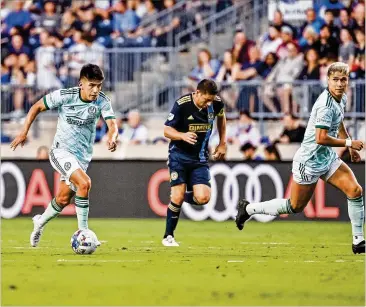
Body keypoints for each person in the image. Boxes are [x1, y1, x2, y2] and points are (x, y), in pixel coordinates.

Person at [235, 62, 365, 254]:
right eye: (335, 80)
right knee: (293, 206)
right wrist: (348, 145)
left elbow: (339, 122)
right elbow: (321, 138)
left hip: (326, 157)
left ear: (347, 82)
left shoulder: (341, 98)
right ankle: (248, 209)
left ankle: (358, 241)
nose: (339, 84)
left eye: (343, 80)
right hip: (309, 162)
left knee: (354, 190)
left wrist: (349, 142)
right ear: (328, 81)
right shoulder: (325, 106)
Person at [10, 64, 118, 248]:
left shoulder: (102, 101)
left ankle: (39, 222)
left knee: (62, 199)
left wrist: (112, 136)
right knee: (85, 183)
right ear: (81, 84)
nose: (95, 90)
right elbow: (36, 106)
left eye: (99, 85)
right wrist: (23, 132)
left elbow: (112, 124)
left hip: (82, 157)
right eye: (91, 85)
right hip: (61, 151)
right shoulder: (65, 96)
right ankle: (83, 233)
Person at [162, 79, 226, 246]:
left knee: (203, 197)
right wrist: (182, 135)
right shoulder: (182, 104)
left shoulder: (216, 103)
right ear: (197, 93)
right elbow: (166, 130)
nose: (209, 104)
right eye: (206, 100)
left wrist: (222, 142)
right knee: (177, 195)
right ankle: (168, 236)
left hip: (200, 158)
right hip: (178, 156)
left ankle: (179, 198)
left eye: (211, 100)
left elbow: (222, 118)